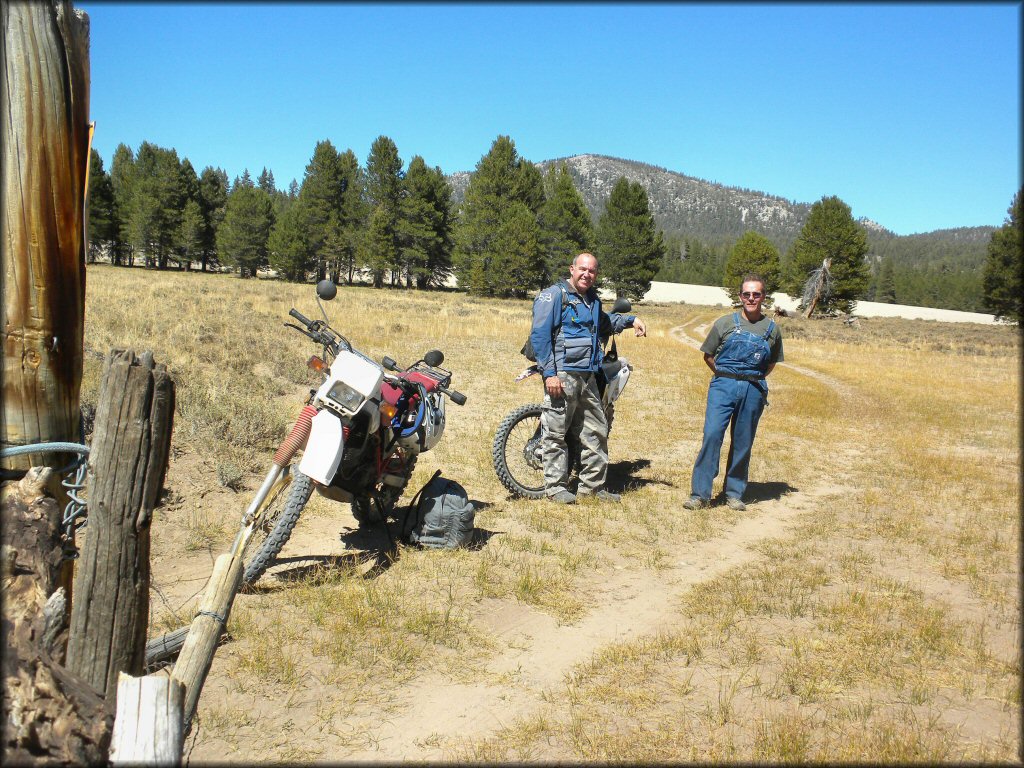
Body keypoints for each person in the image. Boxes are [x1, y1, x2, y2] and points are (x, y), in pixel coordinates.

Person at [529, 252, 647, 504]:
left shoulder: (591, 300)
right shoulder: (554, 296)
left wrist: (631, 320)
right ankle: (556, 487)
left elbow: (605, 323)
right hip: (562, 373)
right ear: (572, 269)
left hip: (588, 375)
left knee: (596, 429)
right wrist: (549, 374)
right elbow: (539, 336)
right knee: (556, 431)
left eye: (592, 271)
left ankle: (591, 487)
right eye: (582, 269)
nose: (587, 274)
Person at [684, 274, 784, 511]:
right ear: (740, 297)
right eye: (747, 294)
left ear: (763, 297)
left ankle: (734, 493)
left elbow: (771, 364)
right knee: (712, 435)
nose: (751, 298)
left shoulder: (772, 329)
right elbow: (708, 356)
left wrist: (751, 380)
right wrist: (726, 376)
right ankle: (700, 494)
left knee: (743, 442)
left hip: (754, 388)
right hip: (723, 386)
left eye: (756, 294)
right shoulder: (724, 323)